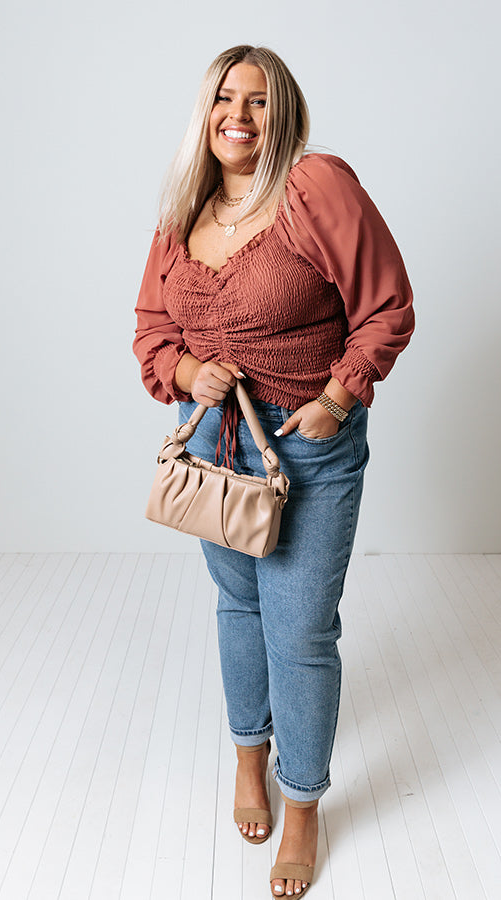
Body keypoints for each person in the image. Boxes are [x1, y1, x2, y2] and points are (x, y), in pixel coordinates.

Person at [133, 44, 414, 898]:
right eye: (225, 98)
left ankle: (303, 803)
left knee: (300, 633)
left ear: (281, 111)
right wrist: (188, 372)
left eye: (258, 100)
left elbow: (387, 305)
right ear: (206, 110)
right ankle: (248, 757)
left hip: (309, 451)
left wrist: (337, 397)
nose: (239, 116)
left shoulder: (314, 187)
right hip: (215, 453)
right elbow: (151, 330)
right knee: (239, 608)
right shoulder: (183, 208)